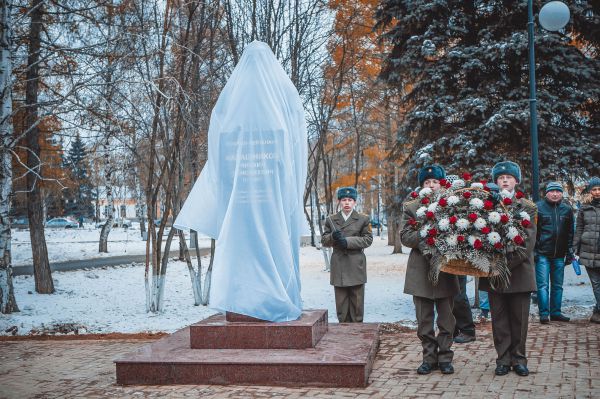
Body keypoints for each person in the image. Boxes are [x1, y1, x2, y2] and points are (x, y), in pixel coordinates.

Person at [479, 161, 537, 377]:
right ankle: (503, 359)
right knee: (500, 320)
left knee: (519, 320)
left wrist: (505, 265)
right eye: (500, 177)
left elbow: (527, 244)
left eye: (509, 177)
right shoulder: (485, 207)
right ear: (495, 181)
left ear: (516, 181)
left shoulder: (527, 207)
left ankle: (519, 359)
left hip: (519, 272)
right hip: (495, 274)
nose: (504, 180)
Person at [400, 165, 459, 375]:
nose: (432, 185)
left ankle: (445, 358)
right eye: (427, 182)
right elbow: (405, 237)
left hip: (445, 269)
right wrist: (427, 235)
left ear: (441, 183)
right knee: (424, 320)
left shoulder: (452, 205)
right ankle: (429, 357)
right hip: (420, 271)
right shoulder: (411, 207)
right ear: (422, 185)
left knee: (446, 319)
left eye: (435, 182)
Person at [322, 187, 373, 323]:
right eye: (344, 200)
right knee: (342, 306)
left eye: (350, 200)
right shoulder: (331, 220)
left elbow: (368, 240)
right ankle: (344, 335)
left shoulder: (363, 219)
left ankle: (357, 335)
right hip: (339, 265)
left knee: (357, 306)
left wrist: (347, 241)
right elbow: (324, 240)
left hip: (356, 265)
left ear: (354, 202)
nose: (347, 203)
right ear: (339, 201)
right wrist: (333, 236)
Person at [534, 181, 575, 324]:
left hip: (559, 255)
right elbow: (534, 232)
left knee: (558, 285)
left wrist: (569, 252)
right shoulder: (538, 207)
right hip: (542, 254)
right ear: (546, 193)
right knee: (543, 285)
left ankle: (556, 312)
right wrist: (535, 251)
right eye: (552, 191)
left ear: (561, 193)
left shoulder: (567, 209)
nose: (555, 193)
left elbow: (570, 232)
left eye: (558, 191)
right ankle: (544, 314)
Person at [573, 176, 600, 324]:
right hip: (588, 250)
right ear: (590, 192)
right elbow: (579, 229)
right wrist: (575, 248)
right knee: (596, 284)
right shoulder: (584, 208)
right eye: (594, 189)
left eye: (599, 189)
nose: (597, 192)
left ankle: (597, 312)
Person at [453, 275, 476, 343]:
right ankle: (452, 330)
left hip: (457, 267)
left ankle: (468, 331)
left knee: (458, 296)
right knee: (448, 296)